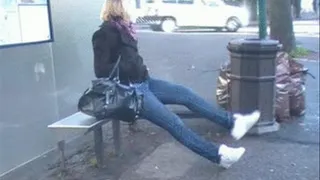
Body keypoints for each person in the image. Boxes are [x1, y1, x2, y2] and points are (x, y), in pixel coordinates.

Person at [93, 0, 261, 169]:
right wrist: (132, 66)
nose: (135, 7)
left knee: (185, 94)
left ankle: (233, 123)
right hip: (131, 93)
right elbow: (100, 70)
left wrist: (139, 68)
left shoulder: (125, 28)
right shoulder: (104, 33)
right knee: (174, 122)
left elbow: (131, 59)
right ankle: (219, 155)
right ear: (120, 6)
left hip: (144, 82)